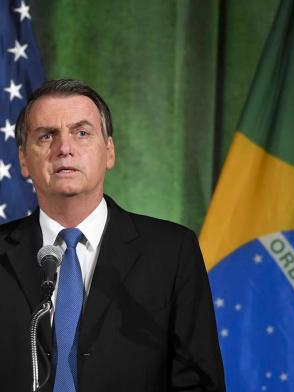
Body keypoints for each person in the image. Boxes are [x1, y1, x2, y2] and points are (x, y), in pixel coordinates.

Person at [0, 79, 226, 392]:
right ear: (24, 159)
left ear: (109, 151)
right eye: (47, 135)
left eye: (82, 133)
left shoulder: (172, 252)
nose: (64, 148)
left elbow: (199, 383)